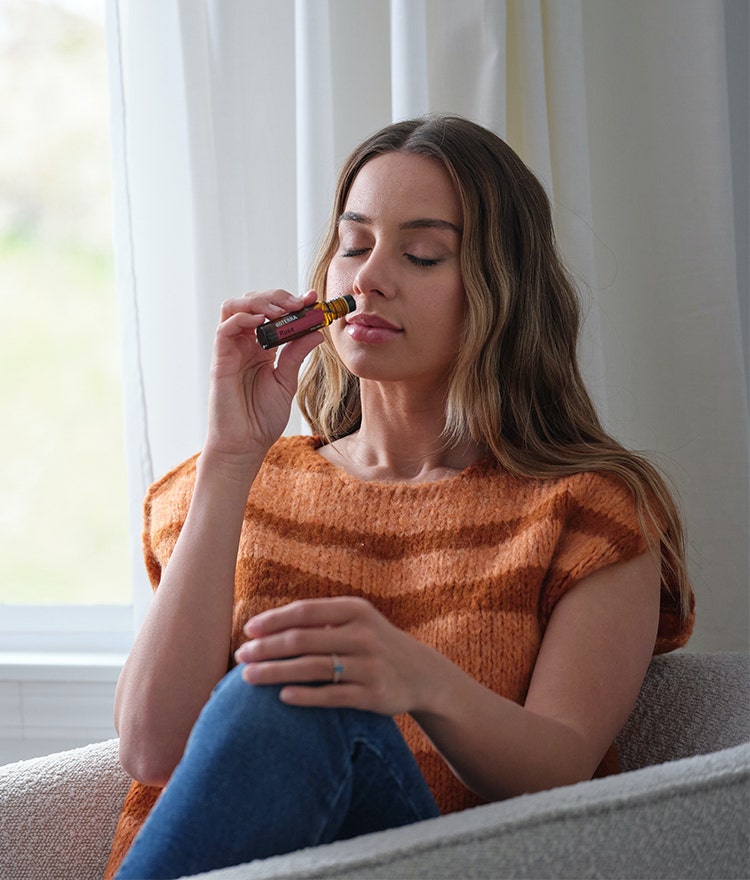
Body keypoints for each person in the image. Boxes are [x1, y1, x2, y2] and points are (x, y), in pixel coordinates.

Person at [107, 114, 694, 879]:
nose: (368, 278)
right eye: (353, 245)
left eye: (421, 254)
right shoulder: (233, 484)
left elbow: (563, 772)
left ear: (499, 290)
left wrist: (416, 679)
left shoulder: (592, 513)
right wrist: (229, 457)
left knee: (300, 691)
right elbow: (152, 749)